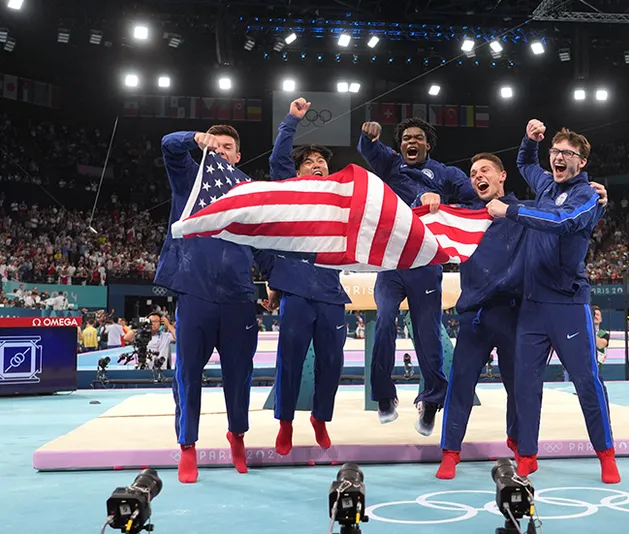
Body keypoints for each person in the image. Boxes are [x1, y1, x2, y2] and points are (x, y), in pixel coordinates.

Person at [429, 154, 608, 479]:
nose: (476, 176)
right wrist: (425, 199)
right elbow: (425, 216)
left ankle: (517, 443)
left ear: (501, 176)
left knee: (520, 388)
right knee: (461, 386)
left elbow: (565, 216)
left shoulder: (523, 212)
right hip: (474, 316)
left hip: (514, 313)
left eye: (484, 170)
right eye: (472, 173)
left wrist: (600, 203)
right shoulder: (464, 215)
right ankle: (451, 452)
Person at [487, 119, 620, 484]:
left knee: (586, 381)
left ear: (582, 161)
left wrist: (510, 210)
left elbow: (559, 222)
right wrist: (530, 141)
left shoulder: (588, 196)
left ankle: (606, 454)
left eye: (567, 154)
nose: (558, 158)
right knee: (526, 384)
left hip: (567, 305)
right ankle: (527, 455)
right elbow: (527, 165)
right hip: (532, 305)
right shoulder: (547, 182)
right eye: (555, 152)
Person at [155, 125, 274, 483]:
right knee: (188, 376)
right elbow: (167, 145)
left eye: (228, 148)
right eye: (216, 146)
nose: (221, 151)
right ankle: (187, 446)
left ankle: (237, 436)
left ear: (238, 156)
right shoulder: (190, 178)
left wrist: (273, 281)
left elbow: (263, 243)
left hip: (239, 297)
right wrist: (193, 138)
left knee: (239, 377)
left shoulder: (248, 192)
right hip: (195, 293)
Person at [357, 117, 476, 435]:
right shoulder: (390, 164)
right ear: (400, 145)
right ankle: (384, 397)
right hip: (391, 263)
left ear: (428, 144)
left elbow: (472, 199)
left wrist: (444, 205)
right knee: (384, 324)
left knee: (428, 335)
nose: (411, 141)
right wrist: (368, 135)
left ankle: (432, 402)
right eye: (406, 137)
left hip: (426, 264)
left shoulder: (446, 174)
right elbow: (368, 148)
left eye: (418, 137)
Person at [266, 97, 351, 455]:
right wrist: (291, 121)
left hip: (331, 292)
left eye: (321, 162)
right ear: (297, 172)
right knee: (291, 359)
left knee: (332, 362)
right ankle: (285, 423)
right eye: (309, 162)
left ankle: (320, 418)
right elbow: (277, 160)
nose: (316, 165)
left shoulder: (340, 198)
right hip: (297, 290)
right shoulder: (291, 193)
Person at [593, 306, 610, 372]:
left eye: (598, 315)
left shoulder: (604, 335)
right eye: (594, 314)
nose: (595, 316)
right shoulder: (582, 332)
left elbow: (600, 345)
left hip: (597, 367)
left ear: (601, 319)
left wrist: (590, 330)